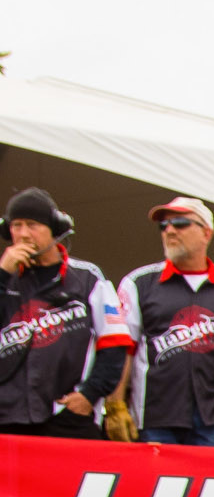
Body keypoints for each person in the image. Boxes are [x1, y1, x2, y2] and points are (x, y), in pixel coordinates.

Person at [118, 196, 214, 446]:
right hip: (155, 418)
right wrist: (115, 406)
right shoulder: (138, 283)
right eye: (164, 226)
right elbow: (124, 349)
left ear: (206, 233)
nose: (170, 230)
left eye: (180, 223)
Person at [0, 188, 131, 441]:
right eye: (16, 225)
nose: (23, 234)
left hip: (68, 417)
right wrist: (3, 274)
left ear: (55, 229)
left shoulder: (87, 278)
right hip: (7, 418)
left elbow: (115, 344)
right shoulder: (4, 277)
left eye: (32, 225)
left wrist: (89, 396)